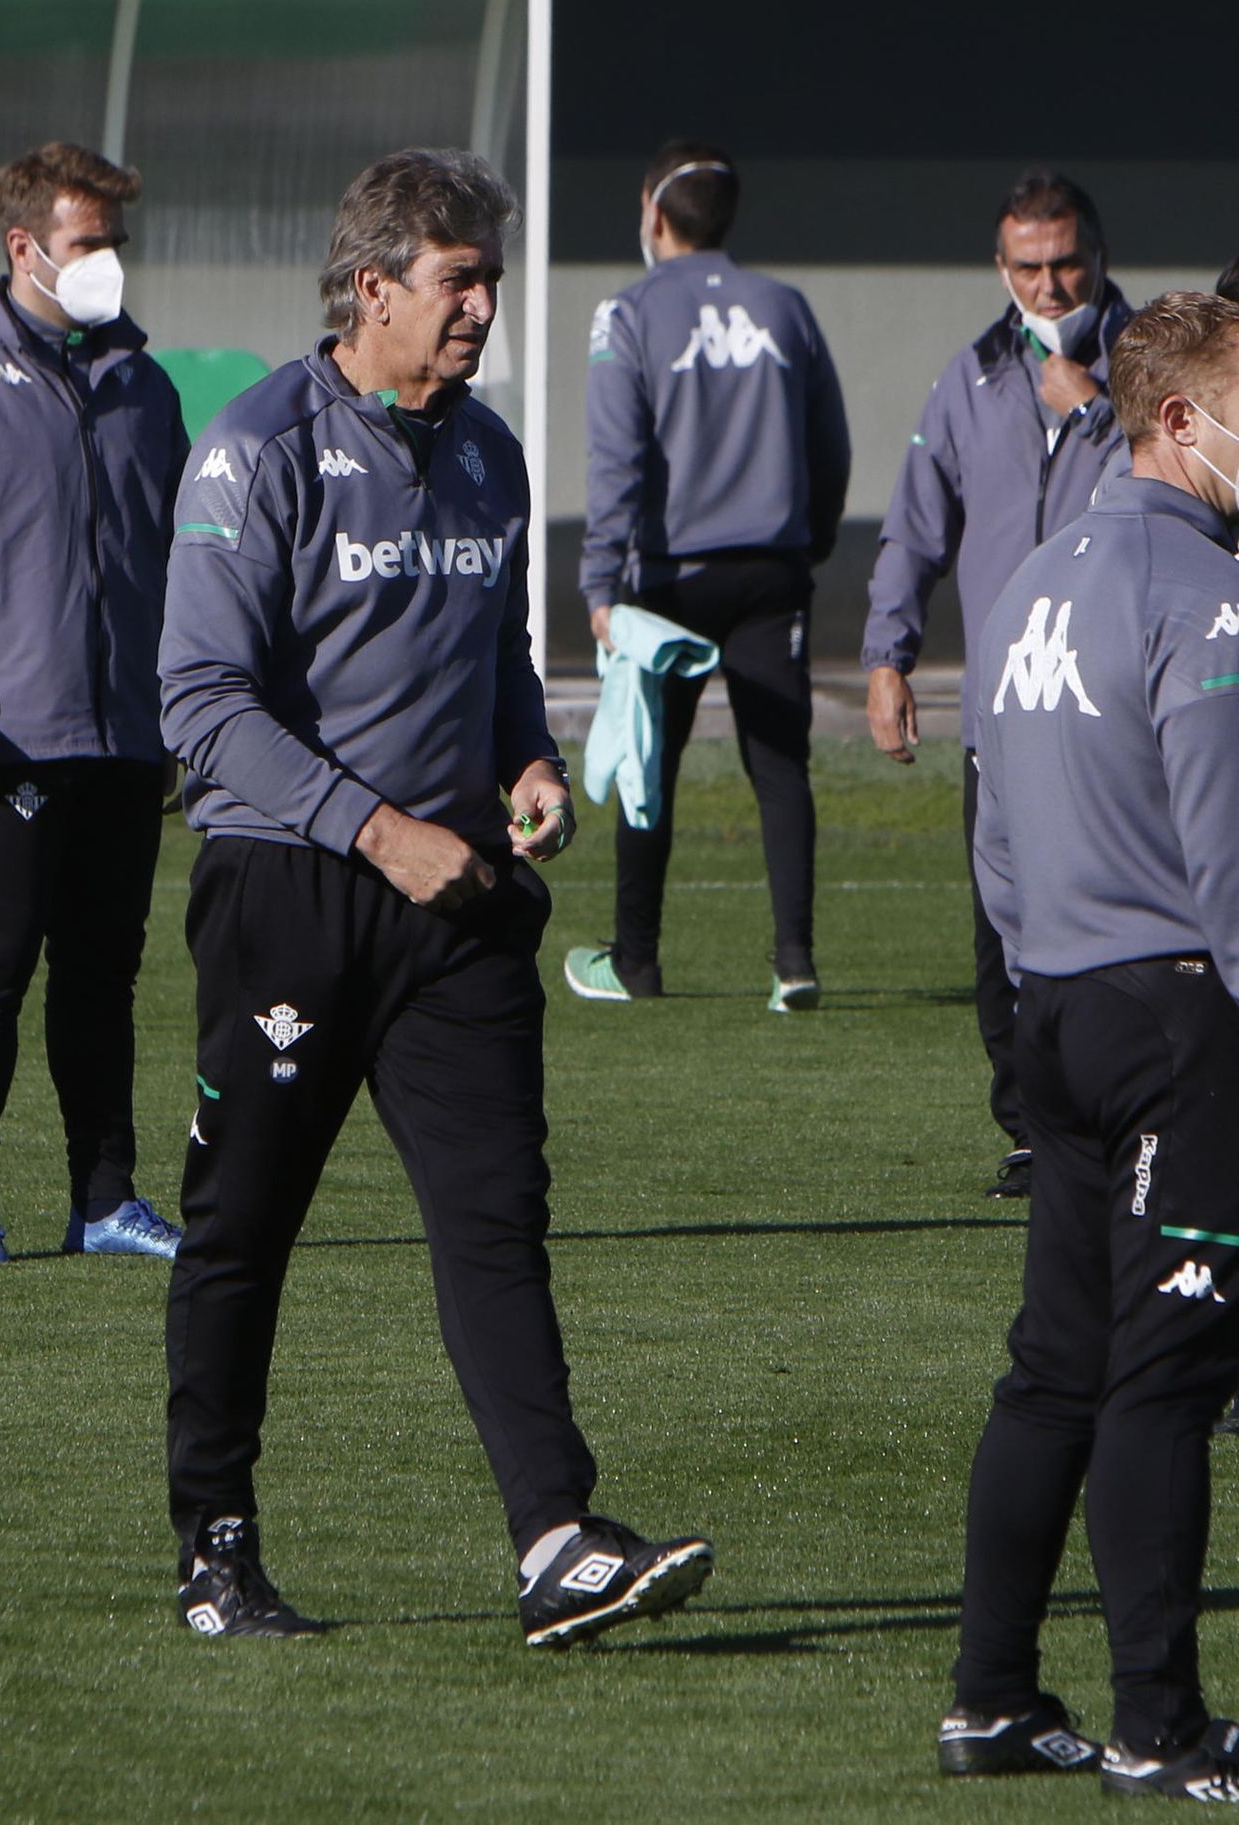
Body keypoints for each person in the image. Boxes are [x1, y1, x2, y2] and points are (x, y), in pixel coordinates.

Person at [157, 148, 712, 1645]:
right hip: (291, 888)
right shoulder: (257, 446)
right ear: (372, 285)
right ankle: (216, 1544)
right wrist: (375, 826)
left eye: (490, 280)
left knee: (493, 1221)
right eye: (457, 281)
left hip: (456, 903)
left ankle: (555, 1537)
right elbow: (201, 707)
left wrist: (528, 761)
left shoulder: (491, 451)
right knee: (244, 1226)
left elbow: (494, 658)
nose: (481, 309)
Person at [940, 291, 1239, 1800]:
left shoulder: (1030, 579)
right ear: (1176, 419)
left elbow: (991, 838)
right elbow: (1227, 835)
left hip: (1055, 1004)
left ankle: (990, 1696)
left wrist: (1036, 976)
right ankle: (1158, 1722)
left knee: (1055, 1365)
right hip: (1175, 1016)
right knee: (1166, 1375)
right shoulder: (1198, 591)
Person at [0, 141, 188, 1265]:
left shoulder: (144, 385)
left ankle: (106, 1196)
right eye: (87, 242)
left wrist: (177, 717)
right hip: (0, 742)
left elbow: (176, 564)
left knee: (104, 976)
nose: (107, 262)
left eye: (114, 241)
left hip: (122, 735)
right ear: (25, 248)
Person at [862, 171, 1132, 1200]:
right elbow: (914, 525)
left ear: (1098, 254)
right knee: (1000, 921)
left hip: (1117, 706)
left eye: (1066, 261)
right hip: (1002, 709)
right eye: (1028, 266)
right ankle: (1031, 1125)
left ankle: (1134, 1114)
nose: (1050, 283)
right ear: (998, 266)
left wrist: (1101, 410)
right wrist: (887, 655)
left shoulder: (1152, 356)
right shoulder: (970, 374)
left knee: (1119, 911)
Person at [563, 139, 850, 1014]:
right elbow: (829, 444)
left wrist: (599, 581)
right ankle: (793, 960)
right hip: (773, 569)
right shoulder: (785, 307)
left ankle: (637, 961)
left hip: (669, 581)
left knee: (652, 761)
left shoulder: (629, 311)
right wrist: (810, 543)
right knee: (780, 763)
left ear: (654, 212)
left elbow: (617, 458)